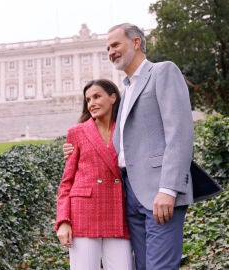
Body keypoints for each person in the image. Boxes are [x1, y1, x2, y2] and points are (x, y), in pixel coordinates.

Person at [63, 23, 194, 270]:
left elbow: (180, 133)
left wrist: (168, 188)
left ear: (136, 43)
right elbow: (122, 143)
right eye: (107, 48)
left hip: (158, 190)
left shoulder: (162, 72)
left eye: (115, 45)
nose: (110, 51)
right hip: (130, 195)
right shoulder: (126, 89)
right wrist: (76, 149)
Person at [55, 79, 134, 270]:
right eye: (88, 99)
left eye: (97, 96)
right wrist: (63, 221)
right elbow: (67, 182)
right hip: (83, 212)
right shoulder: (77, 132)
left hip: (117, 210)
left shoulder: (127, 129)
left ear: (113, 97)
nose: (92, 103)